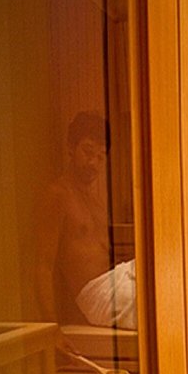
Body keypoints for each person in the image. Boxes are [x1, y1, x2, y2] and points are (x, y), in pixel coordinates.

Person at [35, 111, 137, 354]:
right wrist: (52, 329)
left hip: (115, 280)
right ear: (71, 148)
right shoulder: (57, 196)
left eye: (100, 157)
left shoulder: (96, 203)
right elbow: (43, 266)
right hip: (96, 296)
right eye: (88, 152)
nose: (94, 163)